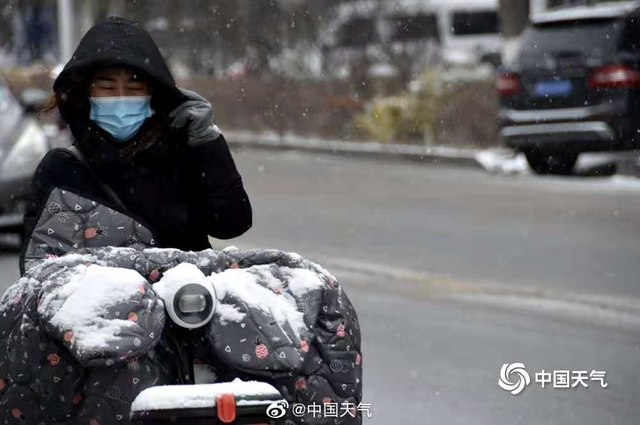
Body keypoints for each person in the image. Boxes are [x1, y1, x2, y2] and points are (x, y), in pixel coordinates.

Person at [19, 17, 252, 275]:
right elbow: (39, 270)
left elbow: (231, 224)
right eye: (107, 87)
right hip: (100, 313)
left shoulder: (183, 155)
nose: (120, 98)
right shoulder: (61, 169)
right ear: (85, 94)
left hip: (186, 308)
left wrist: (207, 142)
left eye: (134, 87)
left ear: (154, 95)